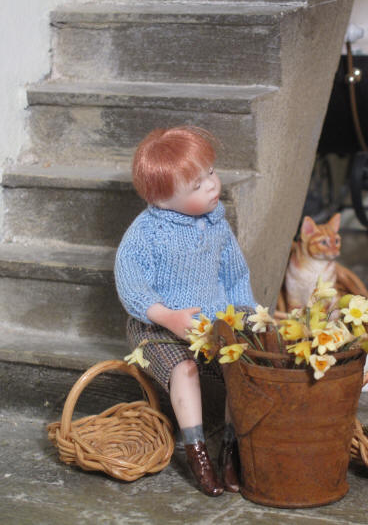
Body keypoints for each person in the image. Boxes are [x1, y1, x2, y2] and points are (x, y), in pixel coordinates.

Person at [114, 126, 256, 496]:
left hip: (209, 325)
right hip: (156, 327)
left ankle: (230, 448)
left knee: (238, 368)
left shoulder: (216, 225)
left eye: (210, 172)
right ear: (162, 200)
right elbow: (132, 285)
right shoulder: (147, 233)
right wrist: (165, 316)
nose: (212, 185)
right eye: (196, 185)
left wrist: (244, 314)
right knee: (185, 368)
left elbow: (236, 275)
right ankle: (198, 455)